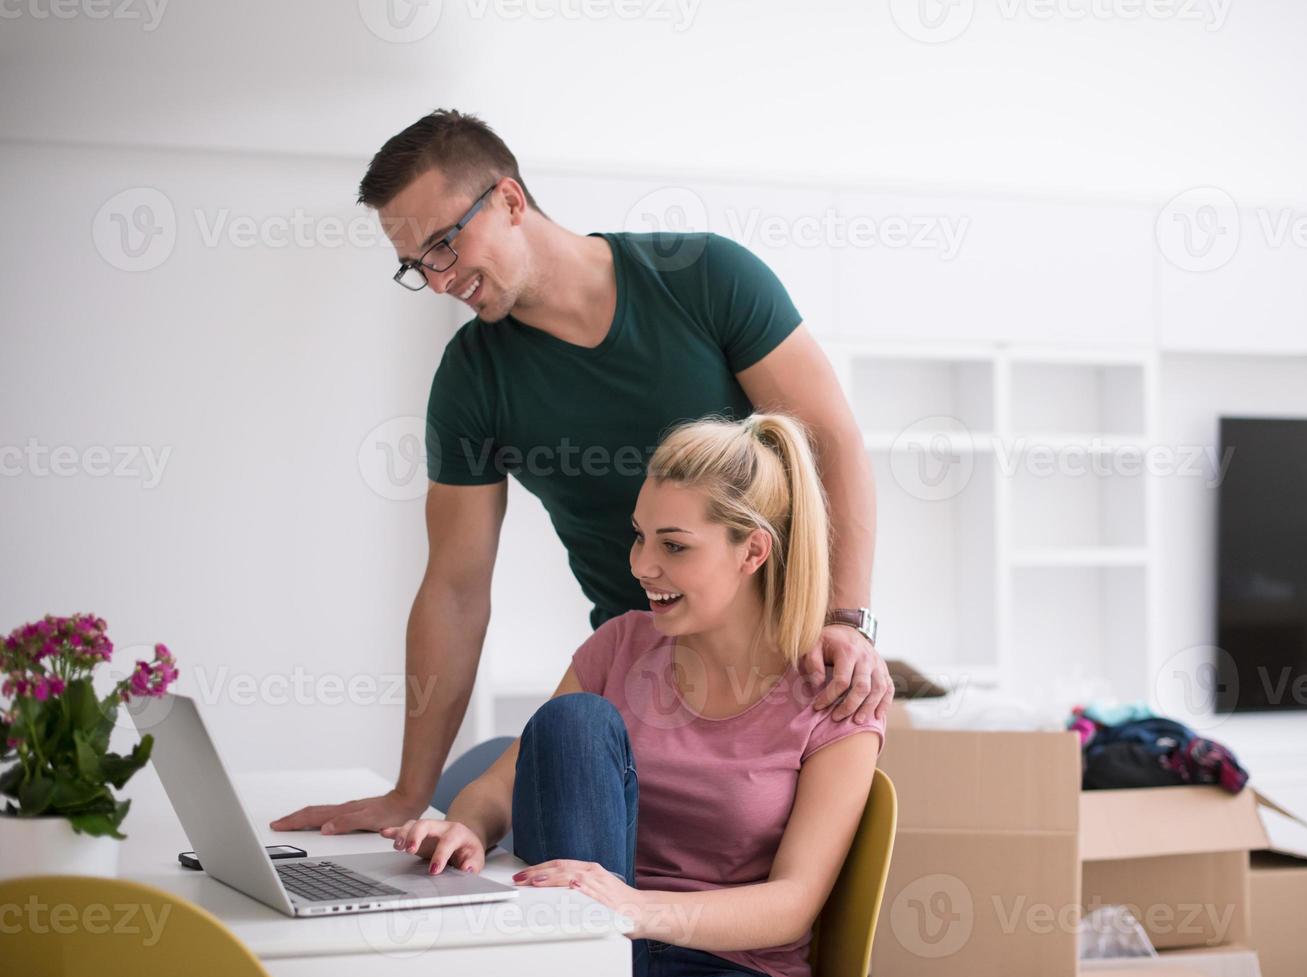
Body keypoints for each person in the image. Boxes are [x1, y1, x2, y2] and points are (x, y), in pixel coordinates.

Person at [273, 110, 890, 837]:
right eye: (417, 266)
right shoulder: (474, 377)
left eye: (444, 245)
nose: (438, 280)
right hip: (637, 686)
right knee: (510, 828)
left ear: (508, 200)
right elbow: (454, 586)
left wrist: (844, 623)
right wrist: (410, 791)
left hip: (786, 669)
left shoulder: (703, 279)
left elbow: (831, 446)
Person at [381, 414, 883, 977]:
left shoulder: (836, 693)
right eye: (640, 536)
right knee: (574, 721)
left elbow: (792, 905)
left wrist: (637, 909)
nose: (642, 565)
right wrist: (467, 826)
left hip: (724, 964)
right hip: (597, 950)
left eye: (674, 545)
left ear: (753, 551)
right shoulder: (619, 644)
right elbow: (501, 783)